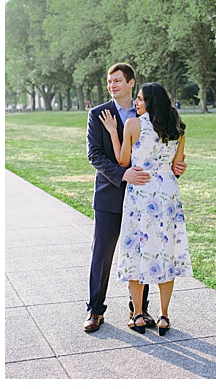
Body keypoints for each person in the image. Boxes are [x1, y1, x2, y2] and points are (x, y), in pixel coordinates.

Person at [82, 63, 185, 333]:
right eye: (109, 81)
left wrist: (176, 167)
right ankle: (95, 311)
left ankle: (139, 310)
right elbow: (94, 155)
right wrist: (123, 174)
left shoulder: (148, 116)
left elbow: (169, 156)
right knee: (102, 256)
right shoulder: (98, 114)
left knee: (147, 249)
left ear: (131, 83)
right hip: (110, 194)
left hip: (145, 197)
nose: (112, 85)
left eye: (117, 81)